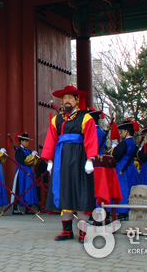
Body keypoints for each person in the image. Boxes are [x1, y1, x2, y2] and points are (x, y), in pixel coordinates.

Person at [42, 85, 98, 243]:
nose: (66, 101)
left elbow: (90, 138)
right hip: (61, 159)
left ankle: (83, 232)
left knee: (80, 192)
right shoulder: (56, 119)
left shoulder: (85, 118)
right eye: (64, 98)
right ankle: (66, 231)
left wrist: (90, 159)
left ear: (76, 100)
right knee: (64, 192)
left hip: (80, 158)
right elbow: (51, 139)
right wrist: (50, 161)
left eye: (69, 98)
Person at [113, 120, 139, 221]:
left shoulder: (125, 143)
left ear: (126, 131)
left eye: (122, 131)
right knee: (130, 187)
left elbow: (116, 155)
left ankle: (122, 212)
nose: (122, 133)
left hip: (122, 166)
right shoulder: (133, 143)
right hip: (131, 167)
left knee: (122, 188)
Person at [11, 132, 39, 215]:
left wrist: (35, 158)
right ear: (21, 141)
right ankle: (16, 207)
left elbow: (33, 163)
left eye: (28, 141)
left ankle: (28, 207)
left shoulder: (29, 151)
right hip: (22, 172)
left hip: (29, 172)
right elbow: (24, 161)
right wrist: (31, 156)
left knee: (29, 189)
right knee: (20, 188)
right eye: (26, 141)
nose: (27, 142)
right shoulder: (19, 151)